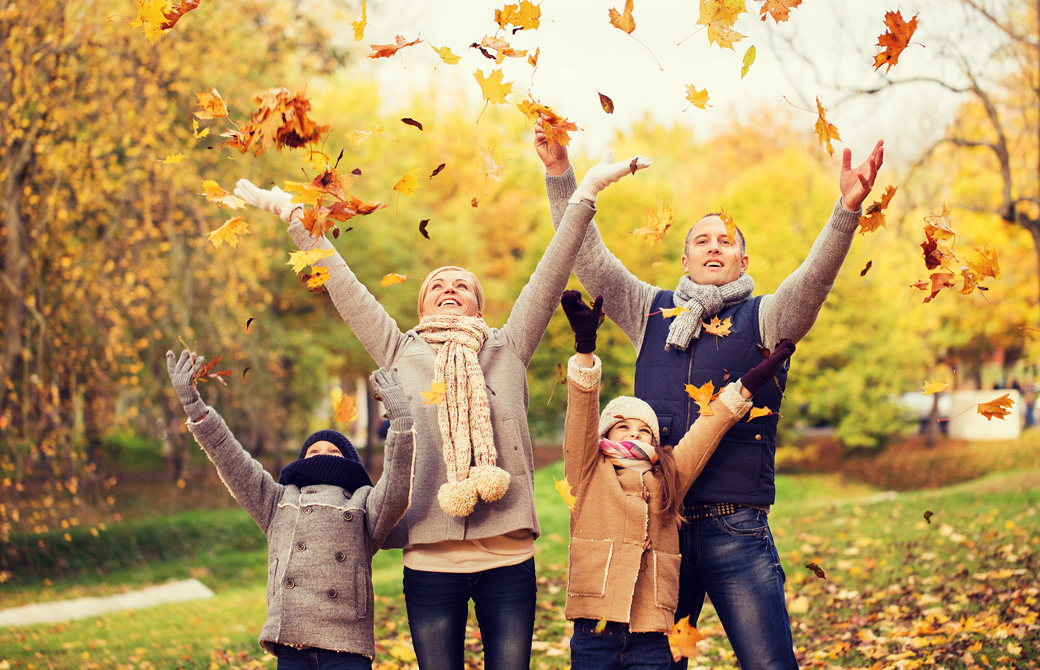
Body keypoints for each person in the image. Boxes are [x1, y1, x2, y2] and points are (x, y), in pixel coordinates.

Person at [231, 152, 651, 670]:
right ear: (422, 307)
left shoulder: (508, 346)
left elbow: (551, 268)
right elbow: (341, 282)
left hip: (508, 557)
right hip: (429, 560)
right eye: (438, 286)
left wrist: (584, 192)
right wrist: (294, 217)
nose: (449, 290)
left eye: (462, 287)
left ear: (478, 306)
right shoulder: (398, 349)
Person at [535, 121, 884, 670]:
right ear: (685, 260)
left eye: (726, 241)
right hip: (658, 527)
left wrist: (845, 212)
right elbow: (591, 260)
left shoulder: (766, 316)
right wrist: (560, 175)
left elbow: (813, 279)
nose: (714, 246)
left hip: (734, 529)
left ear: (743, 262)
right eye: (701, 240)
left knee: (769, 664)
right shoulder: (648, 310)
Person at [558, 290, 795, 669]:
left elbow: (709, 428)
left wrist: (748, 384)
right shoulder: (588, 473)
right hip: (595, 631)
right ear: (605, 435)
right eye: (622, 427)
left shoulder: (667, 476)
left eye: (644, 430)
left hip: (653, 635)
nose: (634, 433)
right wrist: (585, 350)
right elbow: (582, 410)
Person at [166, 350, 414, 670]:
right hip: (291, 645)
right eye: (314, 450)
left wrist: (402, 425)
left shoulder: (364, 502)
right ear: (301, 460)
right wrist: (193, 406)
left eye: (333, 451)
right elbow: (233, 461)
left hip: (346, 644)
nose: (323, 454)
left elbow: (396, 490)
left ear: (350, 464)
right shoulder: (277, 500)